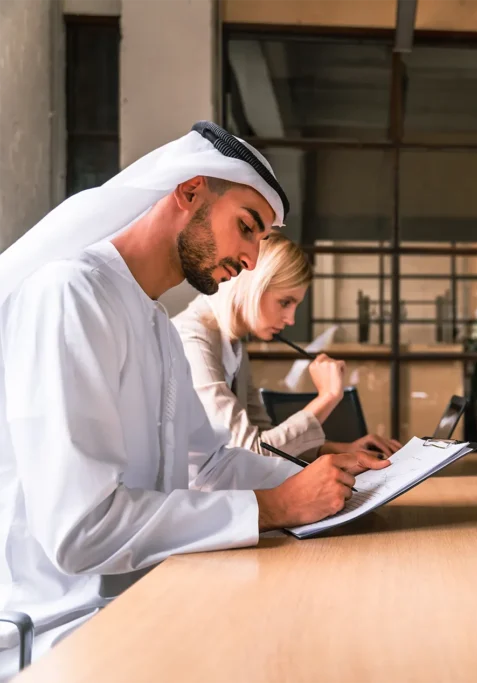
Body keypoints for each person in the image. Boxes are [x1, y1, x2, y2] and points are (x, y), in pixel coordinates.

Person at [0, 121, 388, 672]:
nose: (252, 260)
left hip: (147, 599)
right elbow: (81, 531)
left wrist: (342, 478)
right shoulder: (70, 295)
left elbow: (207, 465)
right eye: (247, 228)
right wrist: (277, 506)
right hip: (67, 633)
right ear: (189, 192)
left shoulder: (155, 322)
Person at [173, 232, 401, 460]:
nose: (291, 320)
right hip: (191, 494)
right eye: (285, 302)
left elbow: (263, 436)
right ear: (254, 288)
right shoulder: (193, 341)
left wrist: (335, 449)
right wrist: (327, 397)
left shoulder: (233, 345)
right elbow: (251, 451)